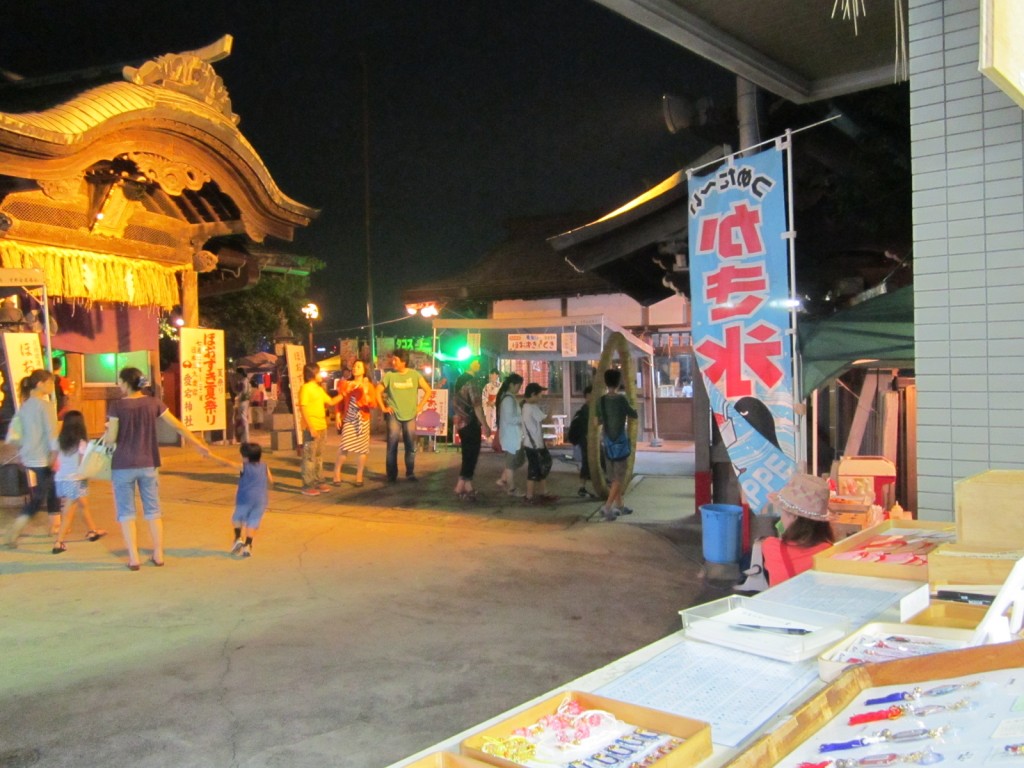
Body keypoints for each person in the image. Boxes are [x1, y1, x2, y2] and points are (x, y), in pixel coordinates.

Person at [101, 367, 212, 570]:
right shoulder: (154, 403)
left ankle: (134, 558)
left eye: (120, 381)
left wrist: (108, 431)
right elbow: (177, 425)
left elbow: (110, 439)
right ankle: (158, 553)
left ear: (126, 383)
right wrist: (198, 444)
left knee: (126, 512)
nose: (119, 385)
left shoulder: (116, 407)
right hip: (148, 463)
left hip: (123, 464)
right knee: (153, 510)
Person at [3, 370, 60, 548]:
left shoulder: (25, 406)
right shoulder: (46, 406)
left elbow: (15, 434)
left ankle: (55, 525)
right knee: (40, 496)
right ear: (40, 384)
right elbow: (52, 433)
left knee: (51, 488)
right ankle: (16, 528)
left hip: (29, 456)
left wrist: (22, 451)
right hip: (43, 456)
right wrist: (55, 454)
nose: (52, 386)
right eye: (50, 383)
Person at [760, 473, 835, 586]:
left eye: (783, 513)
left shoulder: (770, 546)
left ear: (794, 517)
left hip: (780, 604)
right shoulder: (830, 552)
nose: (781, 518)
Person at [51, 410, 106, 554]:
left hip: (60, 479)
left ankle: (92, 531)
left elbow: (53, 462)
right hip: (76, 480)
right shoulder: (82, 444)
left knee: (83, 504)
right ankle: (59, 542)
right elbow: (83, 465)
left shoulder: (57, 440)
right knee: (69, 512)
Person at [377, 349, 431, 483]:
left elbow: (428, 390)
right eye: (393, 359)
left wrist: (420, 406)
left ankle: (410, 473)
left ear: (403, 362)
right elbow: (377, 391)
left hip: (410, 414)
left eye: (395, 359)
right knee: (392, 445)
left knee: (410, 445)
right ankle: (391, 475)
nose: (393, 362)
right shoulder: (389, 375)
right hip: (393, 414)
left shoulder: (414, 375)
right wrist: (383, 407)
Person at [213, 442, 273, 558]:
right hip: (260, 499)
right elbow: (271, 481)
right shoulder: (265, 466)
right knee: (253, 522)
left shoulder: (244, 466)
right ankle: (248, 545)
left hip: (245, 498)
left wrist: (210, 455)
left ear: (245, 457)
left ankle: (238, 538)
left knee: (237, 518)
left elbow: (226, 463)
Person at [596, 368, 638, 522]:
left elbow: (597, 421)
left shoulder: (601, 401)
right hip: (620, 442)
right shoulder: (621, 400)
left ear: (606, 382)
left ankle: (620, 505)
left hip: (606, 443)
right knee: (618, 477)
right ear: (619, 382)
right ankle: (607, 507)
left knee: (614, 476)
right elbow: (634, 414)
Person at [332, 360, 381, 488]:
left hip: (363, 419)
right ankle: (336, 473)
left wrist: (365, 392)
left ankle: (359, 475)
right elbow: (340, 402)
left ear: (364, 370)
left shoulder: (368, 386)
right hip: (349, 418)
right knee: (345, 446)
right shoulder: (345, 384)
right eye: (354, 366)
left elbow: (373, 404)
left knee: (362, 449)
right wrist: (338, 416)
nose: (355, 368)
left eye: (358, 366)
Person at [298, 363, 344, 496]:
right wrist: (311, 427)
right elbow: (303, 408)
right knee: (309, 457)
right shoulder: (306, 388)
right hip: (311, 427)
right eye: (319, 372)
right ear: (312, 374)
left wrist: (344, 394)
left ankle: (318, 480)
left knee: (318, 456)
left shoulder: (318, 389)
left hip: (322, 426)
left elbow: (330, 401)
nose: (321, 375)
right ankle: (307, 485)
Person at [451, 358, 491, 501]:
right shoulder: (471, 382)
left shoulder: (458, 381)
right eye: (476, 362)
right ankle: (459, 487)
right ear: (470, 364)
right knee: (471, 455)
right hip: (470, 423)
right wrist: (485, 425)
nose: (479, 364)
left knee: (467, 454)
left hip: (460, 423)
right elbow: (477, 406)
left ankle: (468, 487)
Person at [520, 382, 555, 504]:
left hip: (531, 444)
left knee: (540, 468)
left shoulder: (525, 406)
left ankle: (543, 492)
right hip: (534, 445)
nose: (541, 397)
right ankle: (530, 496)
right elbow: (547, 420)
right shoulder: (531, 407)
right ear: (533, 394)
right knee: (536, 469)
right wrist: (552, 408)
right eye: (540, 394)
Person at [494, 372, 525, 496]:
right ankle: (511, 489)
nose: (519, 389)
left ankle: (503, 480)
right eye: (518, 386)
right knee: (511, 464)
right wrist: (523, 418)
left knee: (515, 461)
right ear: (512, 385)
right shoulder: (508, 400)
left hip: (513, 436)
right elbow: (510, 419)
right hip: (510, 436)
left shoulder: (509, 398)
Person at [567, 385, 596, 499]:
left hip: (586, 440)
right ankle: (582, 488)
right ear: (587, 396)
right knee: (587, 463)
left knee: (589, 462)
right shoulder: (585, 411)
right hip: (585, 440)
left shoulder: (590, 410)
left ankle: (584, 487)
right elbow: (585, 429)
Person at [232, 367, 252, 444]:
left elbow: (242, 392)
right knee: (243, 419)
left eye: (237, 374)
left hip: (243, 401)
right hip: (245, 401)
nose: (237, 376)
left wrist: (237, 397)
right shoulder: (246, 381)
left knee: (243, 419)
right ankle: (244, 438)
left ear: (240, 374)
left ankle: (245, 439)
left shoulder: (244, 381)